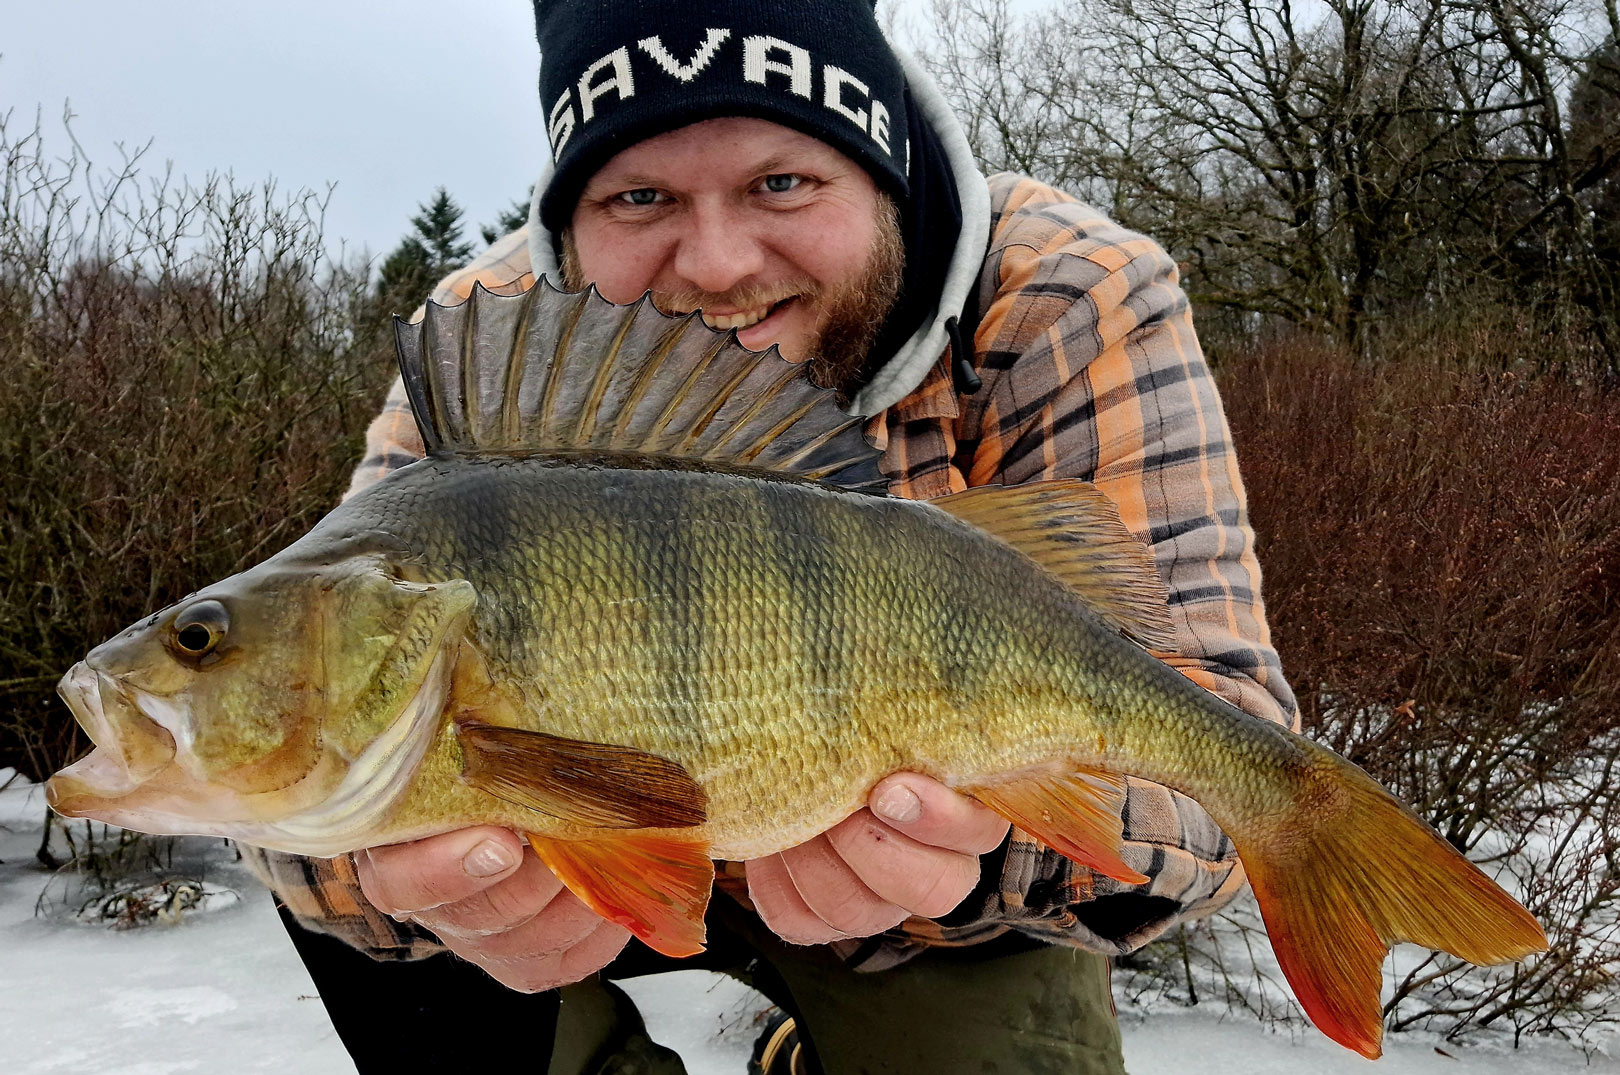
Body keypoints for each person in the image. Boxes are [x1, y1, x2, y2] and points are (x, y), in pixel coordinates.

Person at [249, 3, 1298, 1072]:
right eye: (640, 196)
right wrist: (387, 873)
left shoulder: (1068, 293)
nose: (715, 264)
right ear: (570, 219)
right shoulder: (490, 355)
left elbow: (1221, 747)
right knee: (381, 864)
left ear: (882, 169)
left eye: (781, 182)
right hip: (578, 873)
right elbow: (291, 719)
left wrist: (976, 845)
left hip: (924, 919)